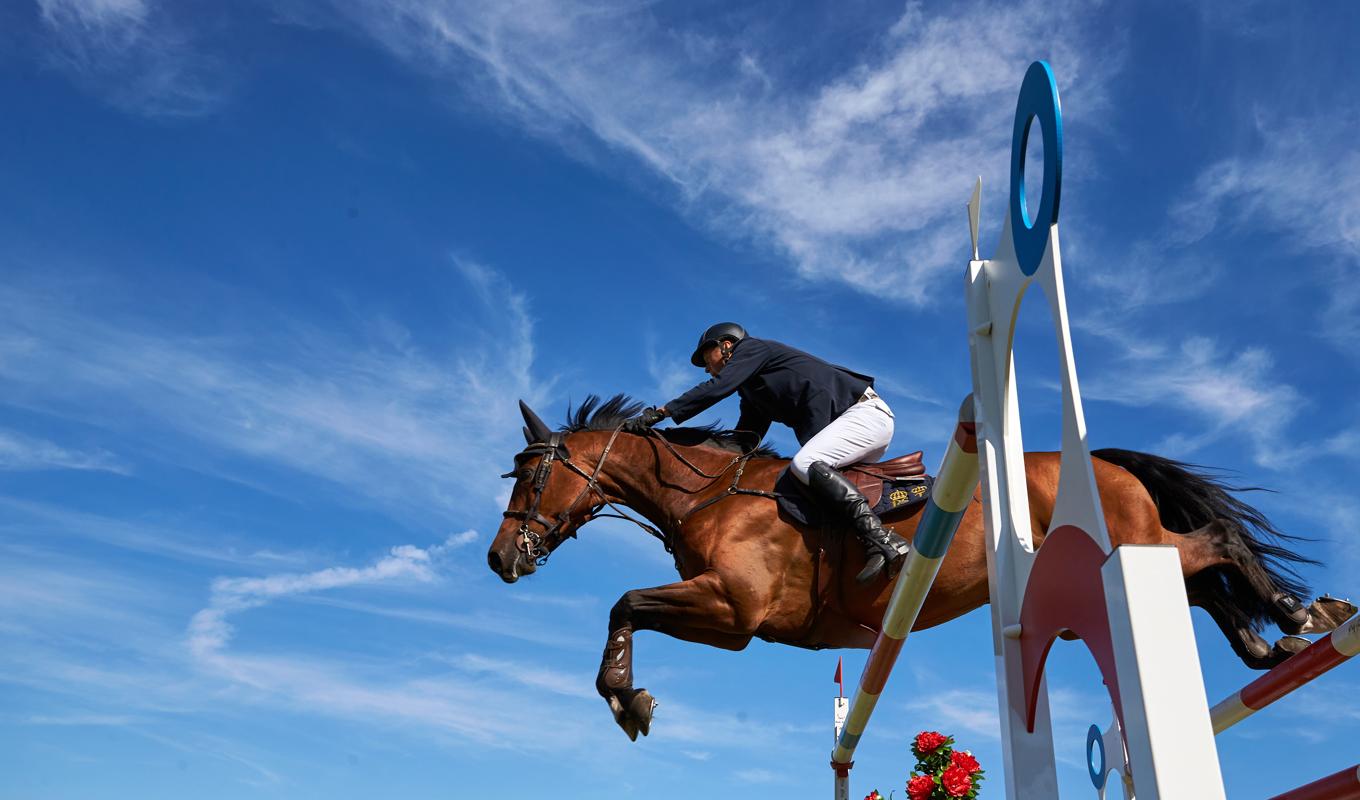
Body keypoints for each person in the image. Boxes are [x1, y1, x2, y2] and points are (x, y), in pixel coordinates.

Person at [637, 322, 909, 582]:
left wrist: (662, 413)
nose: (707, 369)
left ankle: (884, 539)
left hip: (864, 416)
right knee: (808, 487)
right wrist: (676, 446)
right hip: (856, 424)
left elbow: (717, 388)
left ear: (727, 345)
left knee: (805, 464)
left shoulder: (754, 349)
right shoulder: (755, 392)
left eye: (706, 358)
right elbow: (745, 441)